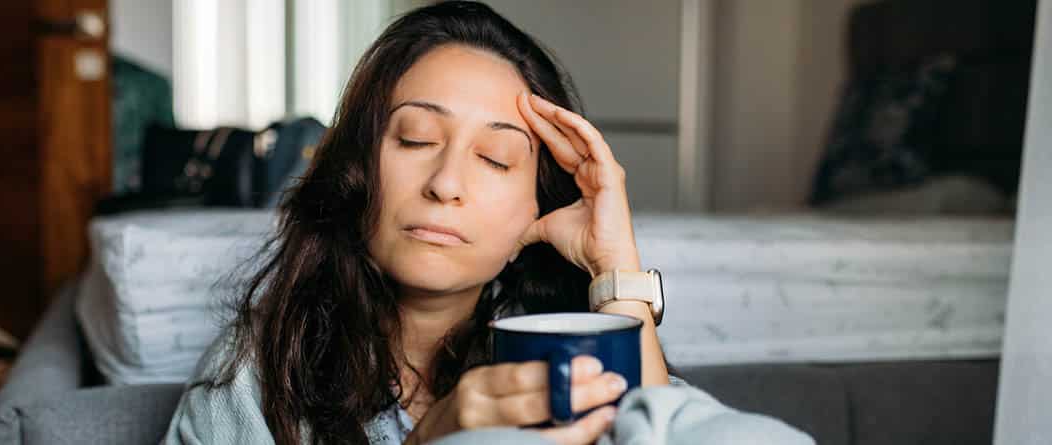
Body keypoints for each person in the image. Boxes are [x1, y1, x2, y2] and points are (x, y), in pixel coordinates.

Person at [163, 2, 813, 444]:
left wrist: (615, 264)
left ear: (535, 210)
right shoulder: (254, 375)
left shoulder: (559, 350)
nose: (446, 183)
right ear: (358, 168)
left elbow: (659, 426)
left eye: (496, 158)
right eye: (416, 139)